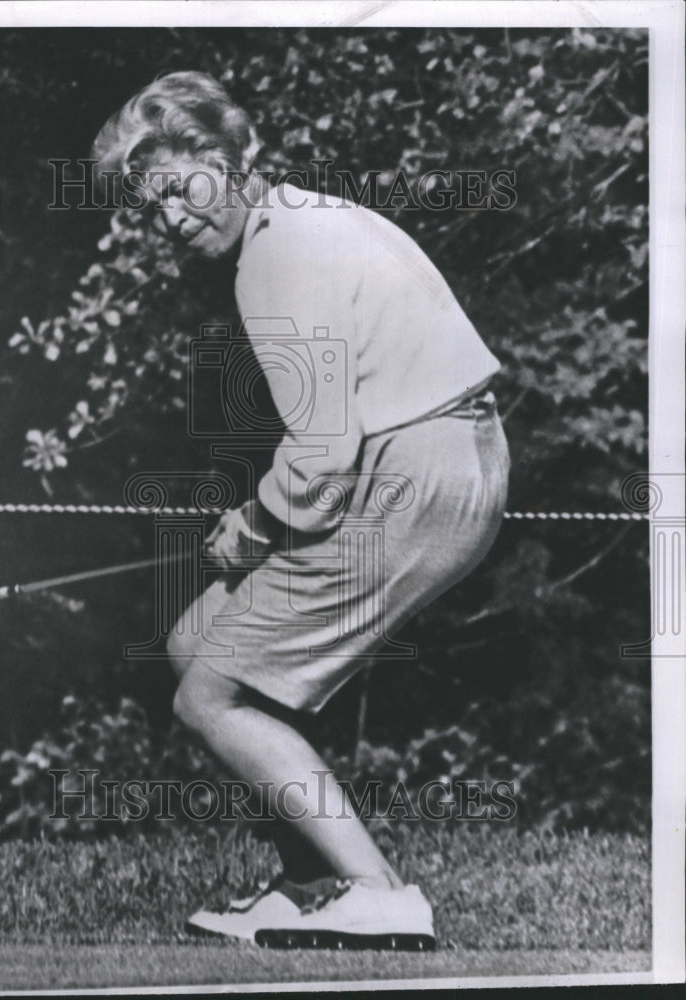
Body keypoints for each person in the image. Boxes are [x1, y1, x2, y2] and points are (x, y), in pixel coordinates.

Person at [91, 71, 510, 950]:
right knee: (198, 634)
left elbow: (321, 460)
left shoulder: (275, 259)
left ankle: (380, 893)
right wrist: (261, 524)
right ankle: (308, 882)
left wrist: (250, 526)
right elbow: (331, 446)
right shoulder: (306, 217)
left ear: (231, 158)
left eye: (177, 189)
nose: (168, 218)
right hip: (440, 460)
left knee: (208, 695)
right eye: (151, 206)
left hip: (418, 473)